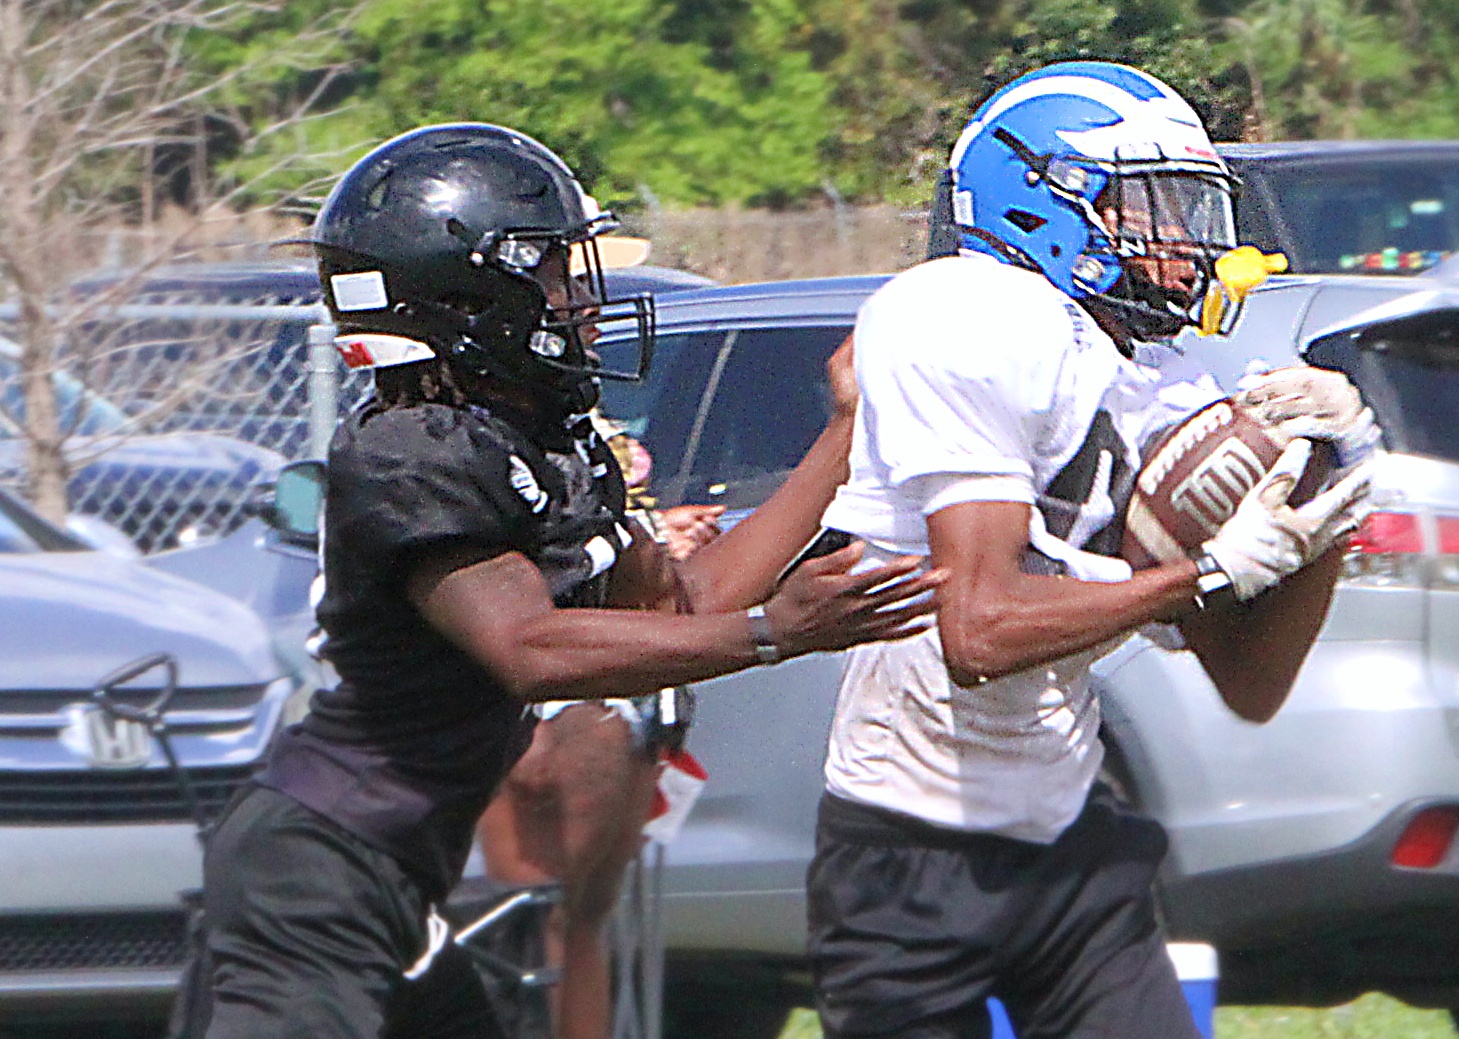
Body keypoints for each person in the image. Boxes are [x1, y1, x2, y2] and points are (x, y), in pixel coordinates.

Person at [171, 122, 944, 1039]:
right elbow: (528, 647)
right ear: (468, 292)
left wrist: (844, 435)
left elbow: (679, 609)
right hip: (312, 875)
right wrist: (776, 633)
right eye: (551, 270)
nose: (580, 296)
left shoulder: (541, 438)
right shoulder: (408, 448)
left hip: (391, 875)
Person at [805, 62, 1380, 1039]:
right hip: (911, 848)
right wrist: (1199, 570)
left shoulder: (1160, 375)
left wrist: (1326, 493)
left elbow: (1249, 679)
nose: (1185, 241)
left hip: (1070, 829)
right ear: (1041, 203)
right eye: (1153, 202)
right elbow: (976, 628)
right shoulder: (963, 316)